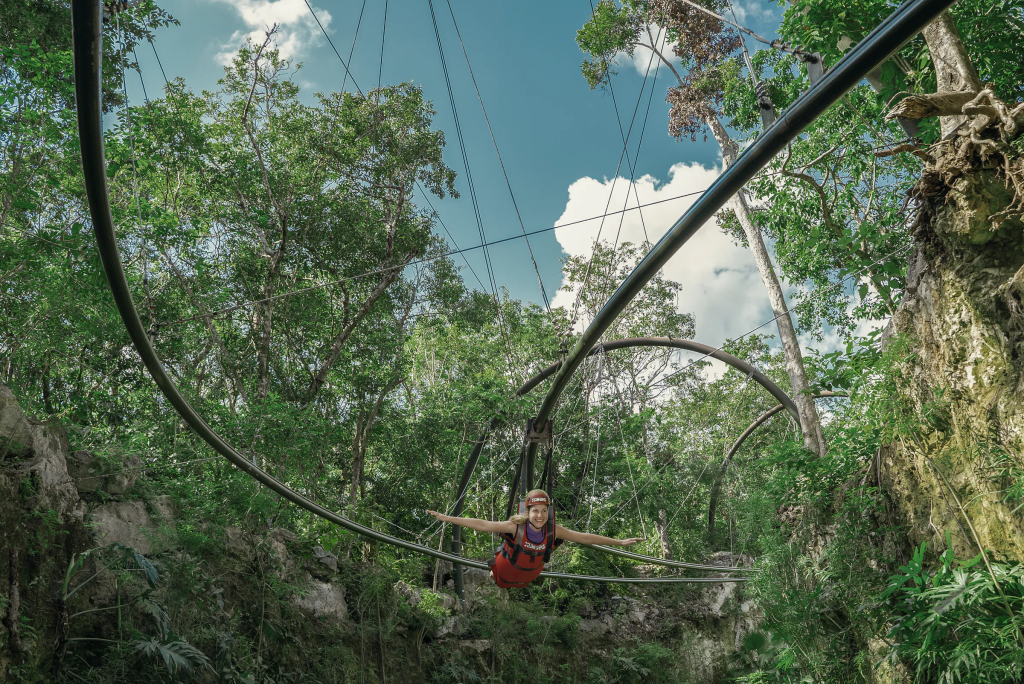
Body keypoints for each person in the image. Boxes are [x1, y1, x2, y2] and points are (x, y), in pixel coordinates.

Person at [427, 489, 643, 588]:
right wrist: (447, 518)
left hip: (527, 577)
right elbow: (482, 524)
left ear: (548, 512)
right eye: (535, 511)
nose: (539, 515)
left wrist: (621, 542)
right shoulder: (515, 527)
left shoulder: (553, 530)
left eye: (543, 511)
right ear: (527, 512)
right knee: (497, 566)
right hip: (503, 573)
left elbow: (584, 538)